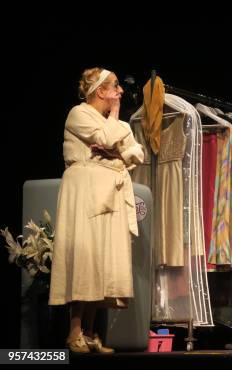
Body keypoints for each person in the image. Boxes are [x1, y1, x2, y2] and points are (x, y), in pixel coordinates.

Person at [49, 67, 144, 353]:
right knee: (86, 261)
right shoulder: (78, 114)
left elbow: (136, 152)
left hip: (109, 191)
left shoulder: (110, 122)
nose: (120, 91)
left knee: (101, 264)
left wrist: (114, 147)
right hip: (87, 191)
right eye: (115, 86)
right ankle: (74, 333)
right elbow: (106, 139)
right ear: (100, 91)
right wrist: (113, 130)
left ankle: (90, 333)